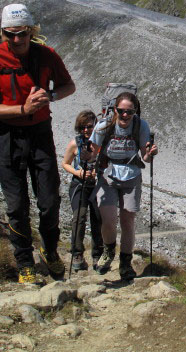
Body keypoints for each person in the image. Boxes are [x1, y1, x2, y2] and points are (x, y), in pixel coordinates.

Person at [0, 3, 75, 284]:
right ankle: (24, 261)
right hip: (7, 136)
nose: (17, 40)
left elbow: (69, 86)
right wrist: (23, 110)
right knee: (16, 203)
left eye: (22, 34)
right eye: (10, 35)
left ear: (31, 31)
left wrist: (50, 97)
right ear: (3, 33)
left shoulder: (46, 55)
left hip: (41, 133)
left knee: (49, 200)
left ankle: (50, 251)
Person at [89, 92, 158, 278]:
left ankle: (125, 264)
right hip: (108, 173)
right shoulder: (104, 126)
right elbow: (92, 153)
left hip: (132, 174)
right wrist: (86, 157)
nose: (125, 115)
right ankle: (109, 252)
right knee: (109, 219)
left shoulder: (141, 125)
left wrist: (150, 153)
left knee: (128, 221)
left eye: (130, 111)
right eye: (121, 111)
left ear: (135, 111)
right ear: (115, 110)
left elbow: (145, 156)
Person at [61, 110, 104, 271]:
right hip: (79, 184)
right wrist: (78, 172)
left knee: (97, 218)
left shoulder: (100, 144)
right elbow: (65, 163)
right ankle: (77, 253)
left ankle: (97, 254)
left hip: (97, 184)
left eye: (89, 127)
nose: (86, 130)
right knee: (79, 217)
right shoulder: (75, 143)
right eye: (82, 127)